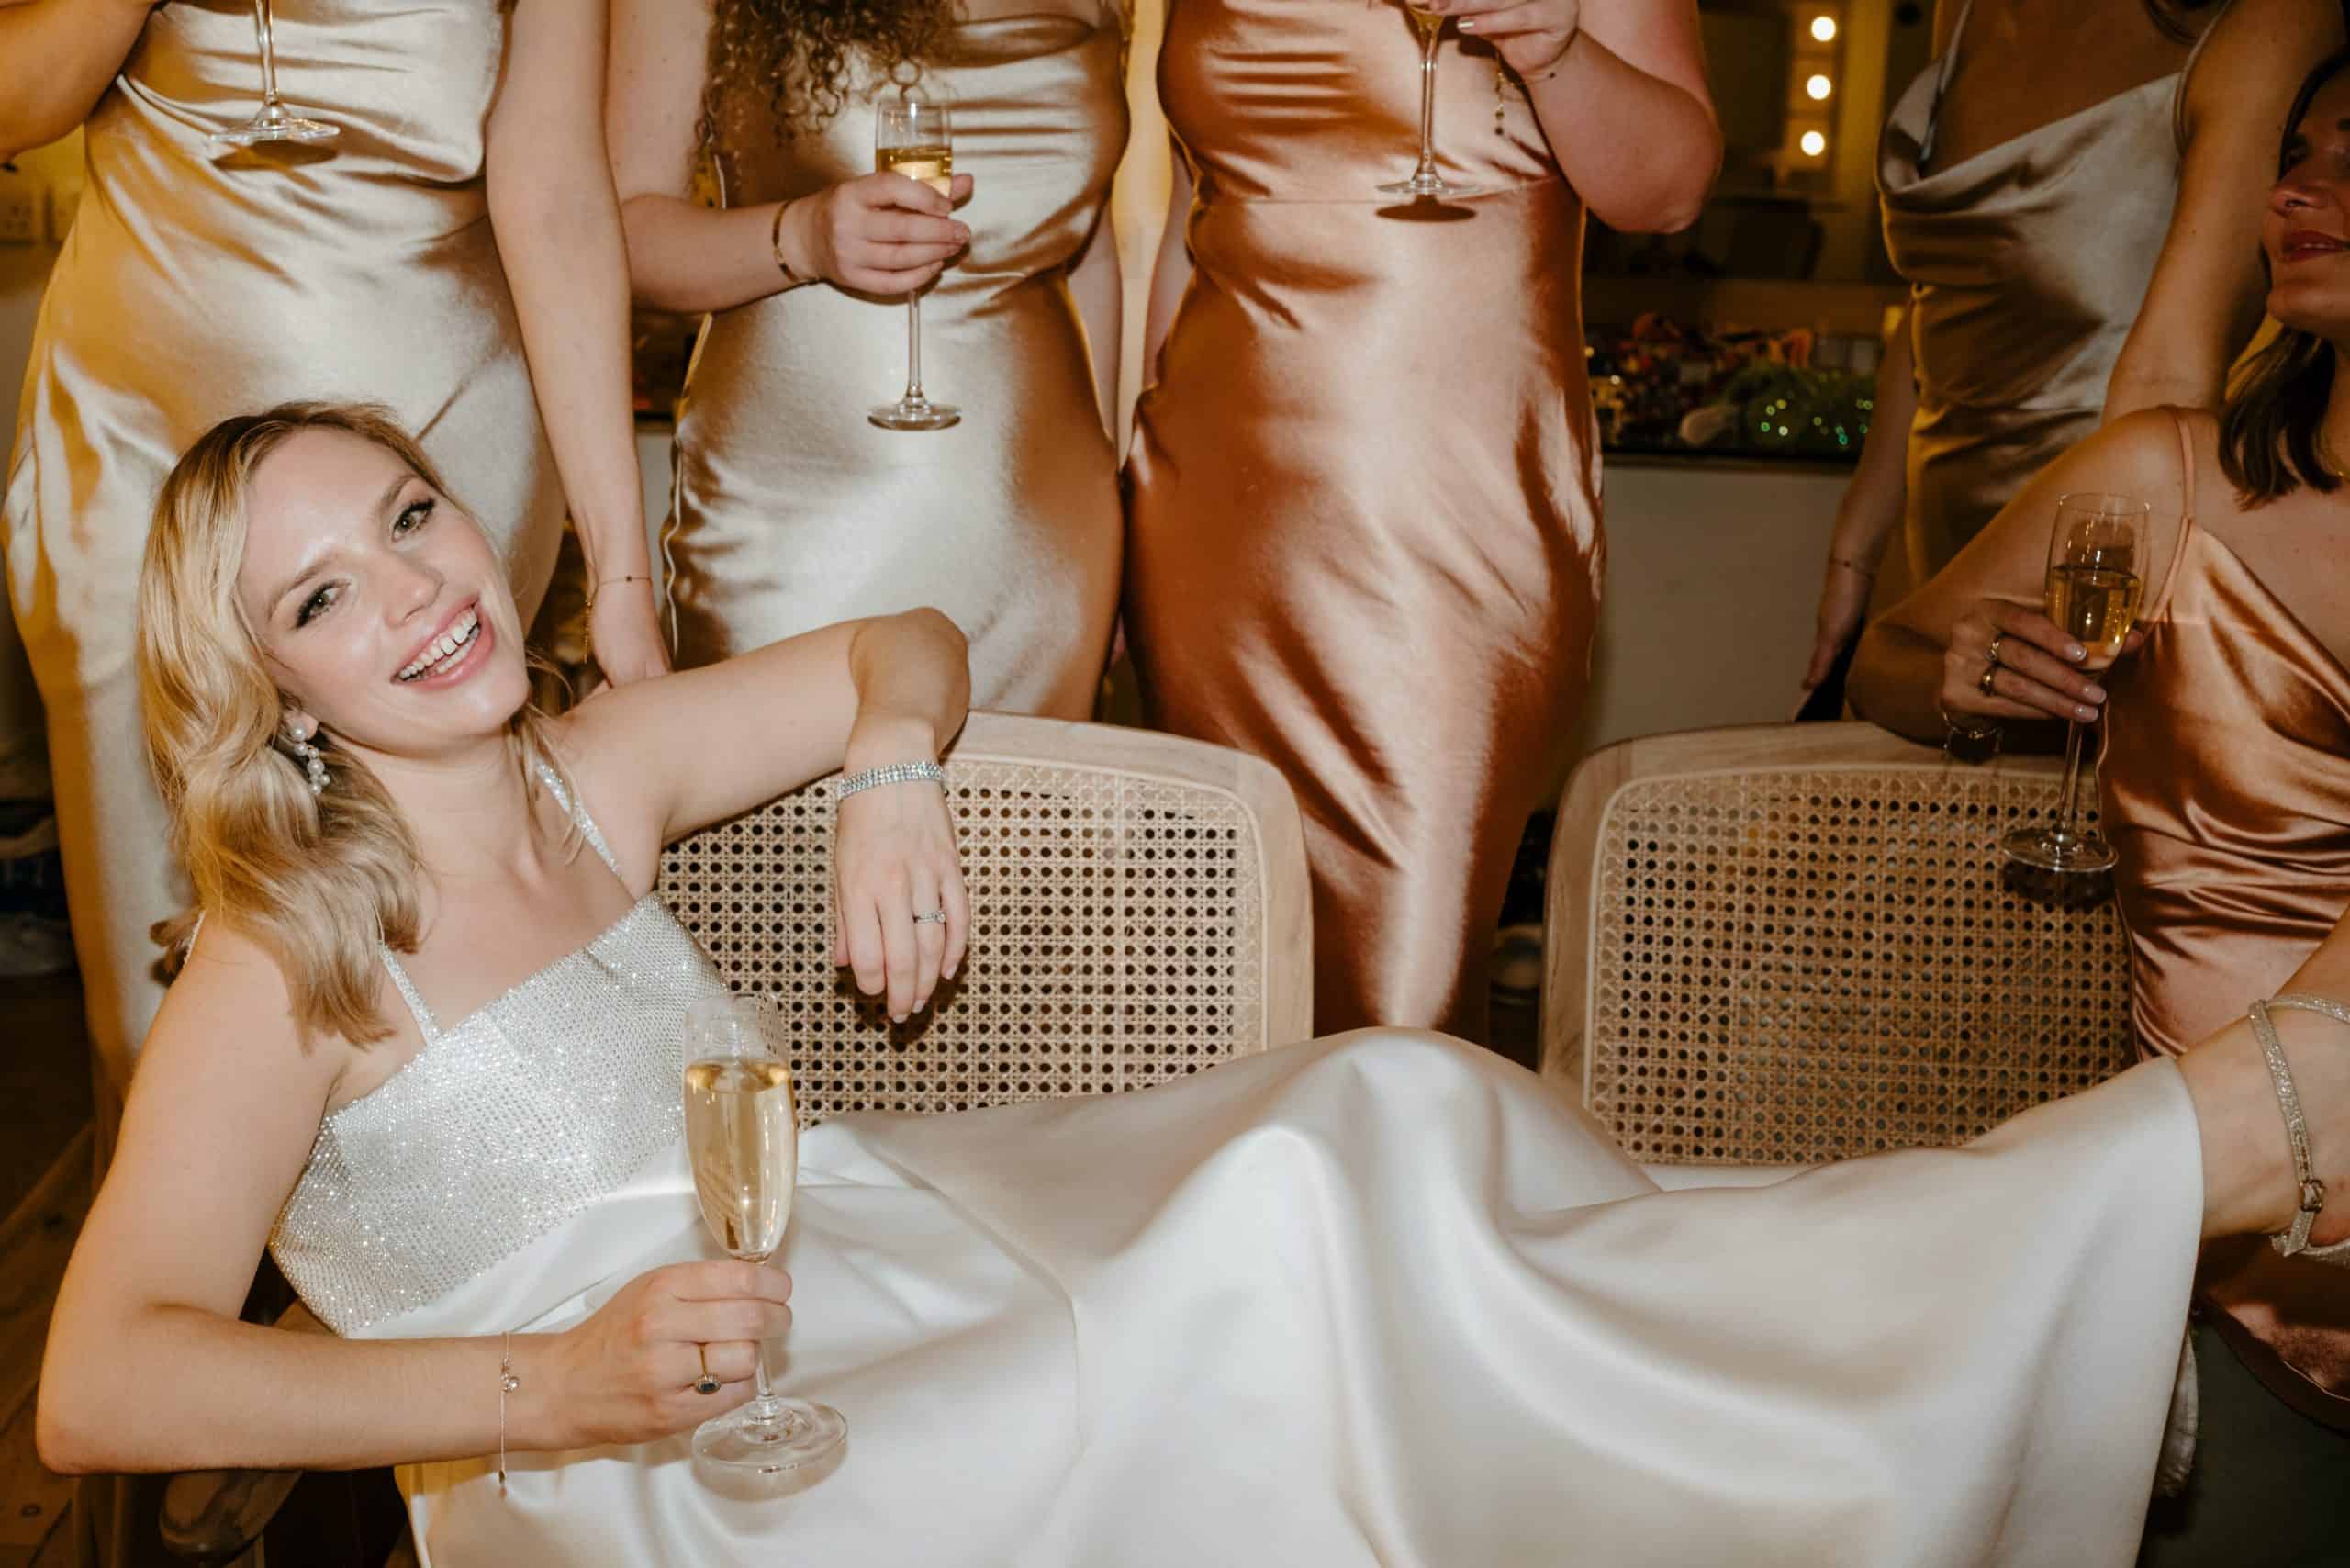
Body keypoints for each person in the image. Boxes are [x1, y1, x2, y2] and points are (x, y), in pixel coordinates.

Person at [32, 400, 2350, 1566]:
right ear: (272, 688)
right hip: (662, 1482)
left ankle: (1982, 1269)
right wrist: (550, 1390)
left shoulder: (589, 770)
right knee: (1272, 1269)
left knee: (1383, 1117)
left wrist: (887, 775)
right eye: (320, 598)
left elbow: (903, 640)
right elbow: (98, 1384)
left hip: (857, 1274)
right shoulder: (287, 955)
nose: (413, 595)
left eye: (408, 516)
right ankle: (2126, 1184)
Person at [0, 0, 666, 1162]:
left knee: (420, 939)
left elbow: (558, 193)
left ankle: (461, 1252)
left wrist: (620, 570)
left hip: (425, 437)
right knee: (156, 1022)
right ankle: (172, 1257)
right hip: (139, 438)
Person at [1849, 52, 2350, 1559]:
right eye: (2298, 151)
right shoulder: (2167, 482)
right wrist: (1963, 674)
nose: (2299, 188)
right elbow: (1888, 660)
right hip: (2212, 1256)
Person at [1123, 0, 1718, 1045]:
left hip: (1447, 501)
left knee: (1399, 995)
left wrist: (1555, 49)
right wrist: (1135, 479)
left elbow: (1668, 194)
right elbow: (1193, 215)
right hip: (1208, 511)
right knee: (1222, 981)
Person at [1800, 0, 2339, 706]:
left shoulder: (2268, 18)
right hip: (1923, 564)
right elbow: (1946, 290)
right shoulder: (1962, 9)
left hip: (2093, 558)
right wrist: (1856, 551)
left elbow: (2171, 373)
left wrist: (2091, 620)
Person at [608, 0, 1124, 718]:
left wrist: (1114, 499)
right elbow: (621, 234)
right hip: (799, 519)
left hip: (1042, 542)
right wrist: (802, 237)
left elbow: (1088, 254)